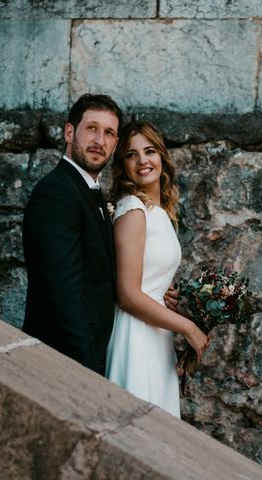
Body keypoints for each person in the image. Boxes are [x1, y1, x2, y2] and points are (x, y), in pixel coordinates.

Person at [105, 120, 209, 417]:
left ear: (161, 156)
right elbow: (126, 294)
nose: (142, 161)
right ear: (122, 164)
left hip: (157, 335)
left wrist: (164, 291)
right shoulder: (132, 209)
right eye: (131, 154)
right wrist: (188, 327)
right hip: (135, 336)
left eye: (149, 151)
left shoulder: (158, 211)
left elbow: (146, 278)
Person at [22, 93, 122, 375]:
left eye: (109, 133)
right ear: (69, 132)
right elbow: (64, 291)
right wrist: (87, 370)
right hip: (64, 360)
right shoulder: (57, 192)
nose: (99, 141)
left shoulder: (89, 191)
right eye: (92, 128)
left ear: (115, 145)